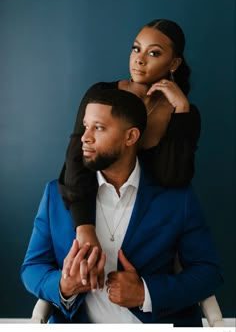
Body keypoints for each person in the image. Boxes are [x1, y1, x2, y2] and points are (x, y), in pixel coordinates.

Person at [21, 89, 223, 325]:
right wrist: (64, 286)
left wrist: (145, 292)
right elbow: (32, 268)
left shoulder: (177, 198)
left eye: (99, 127)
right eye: (86, 126)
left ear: (131, 137)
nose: (85, 137)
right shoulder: (55, 195)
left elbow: (208, 272)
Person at [58, 19, 201, 263]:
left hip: (149, 229)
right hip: (94, 210)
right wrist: (84, 226)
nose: (139, 59)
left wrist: (181, 109)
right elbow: (76, 160)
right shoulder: (101, 95)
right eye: (136, 48)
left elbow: (173, 177)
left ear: (174, 63)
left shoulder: (183, 114)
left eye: (153, 53)